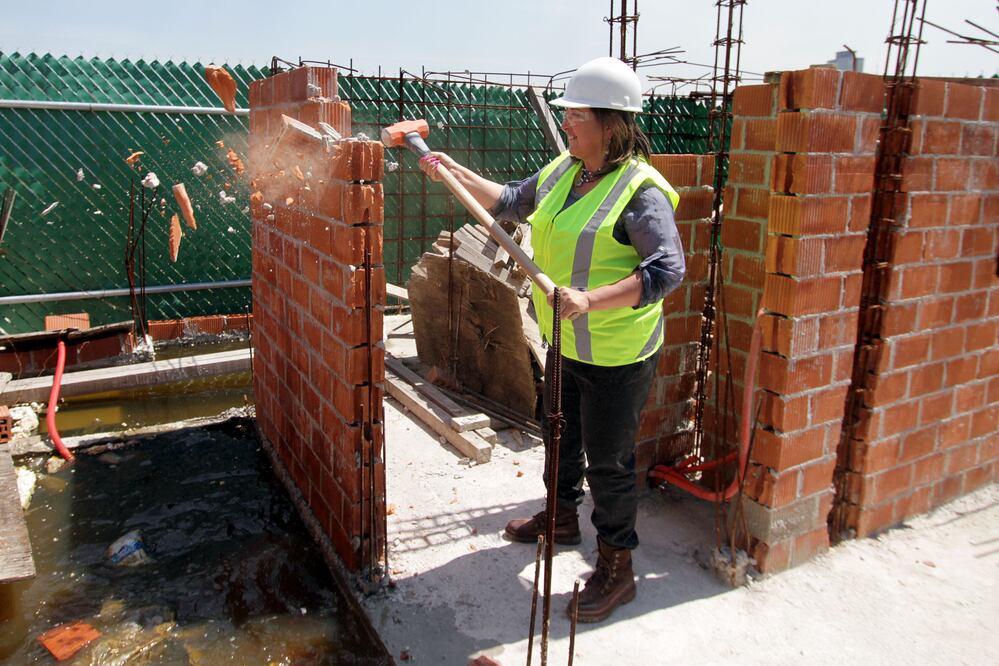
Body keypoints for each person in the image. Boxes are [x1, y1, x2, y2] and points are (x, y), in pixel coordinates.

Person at [418, 56, 685, 623]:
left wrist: (591, 299)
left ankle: (618, 567)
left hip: (616, 351)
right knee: (559, 436)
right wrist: (452, 169)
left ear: (611, 122)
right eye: (567, 114)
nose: (568, 123)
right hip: (563, 339)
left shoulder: (641, 192)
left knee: (609, 462)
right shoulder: (567, 169)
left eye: (577, 116)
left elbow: (666, 270)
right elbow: (513, 201)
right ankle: (561, 519)